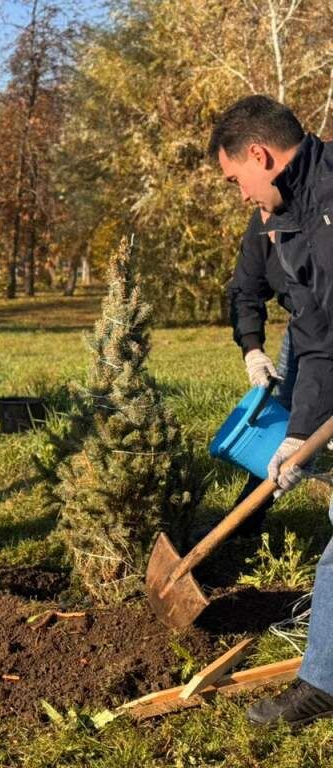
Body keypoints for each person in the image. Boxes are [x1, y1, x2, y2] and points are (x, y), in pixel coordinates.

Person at [210, 95, 333, 726]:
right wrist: (255, 353)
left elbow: (328, 338)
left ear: (259, 154)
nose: (238, 194)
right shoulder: (284, 208)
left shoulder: (327, 206)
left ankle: (322, 682)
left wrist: (305, 430)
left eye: (235, 179)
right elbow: (305, 327)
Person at [215, 207, 298, 538]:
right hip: (305, 324)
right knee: (286, 426)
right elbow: (246, 288)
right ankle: (245, 518)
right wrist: (253, 350)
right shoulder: (263, 217)